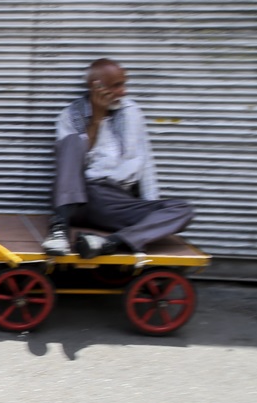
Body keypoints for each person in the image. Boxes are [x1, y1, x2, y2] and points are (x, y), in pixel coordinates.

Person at [41, 58, 194, 258]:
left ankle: (108, 243)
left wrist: (151, 213)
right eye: (116, 86)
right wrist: (97, 118)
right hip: (79, 198)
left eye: (124, 84)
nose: (123, 91)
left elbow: (145, 161)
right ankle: (59, 230)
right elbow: (71, 166)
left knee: (182, 209)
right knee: (71, 143)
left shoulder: (131, 111)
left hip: (117, 203)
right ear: (96, 87)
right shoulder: (70, 115)